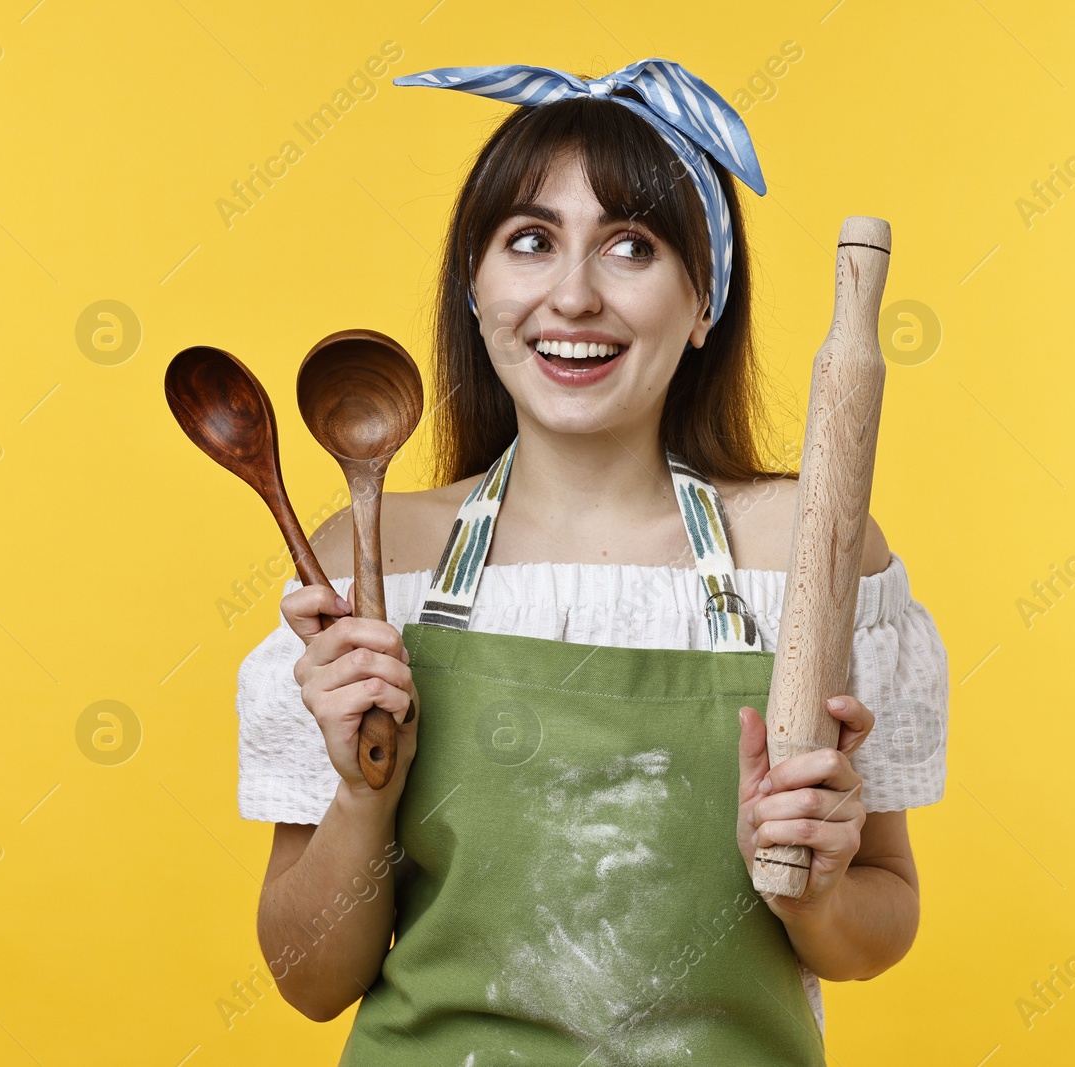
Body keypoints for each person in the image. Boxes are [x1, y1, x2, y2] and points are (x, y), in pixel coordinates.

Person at [233, 57, 949, 1065]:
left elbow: (881, 925)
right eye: (530, 241)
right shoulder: (368, 561)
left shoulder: (808, 553)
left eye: (633, 246)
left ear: (705, 302)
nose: (573, 295)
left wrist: (820, 885)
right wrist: (363, 789)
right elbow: (310, 980)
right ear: (474, 293)